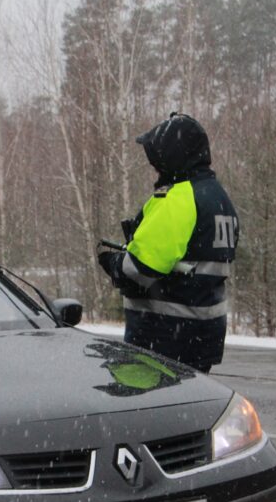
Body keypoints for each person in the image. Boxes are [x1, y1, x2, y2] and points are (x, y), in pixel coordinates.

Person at [97, 112, 238, 373]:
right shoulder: (218, 197)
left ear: (173, 156)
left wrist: (114, 263)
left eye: (157, 160)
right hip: (202, 335)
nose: (155, 167)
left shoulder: (179, 198)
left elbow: (140, 269)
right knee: (189, 406)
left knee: (142, 408)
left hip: (163, 338)